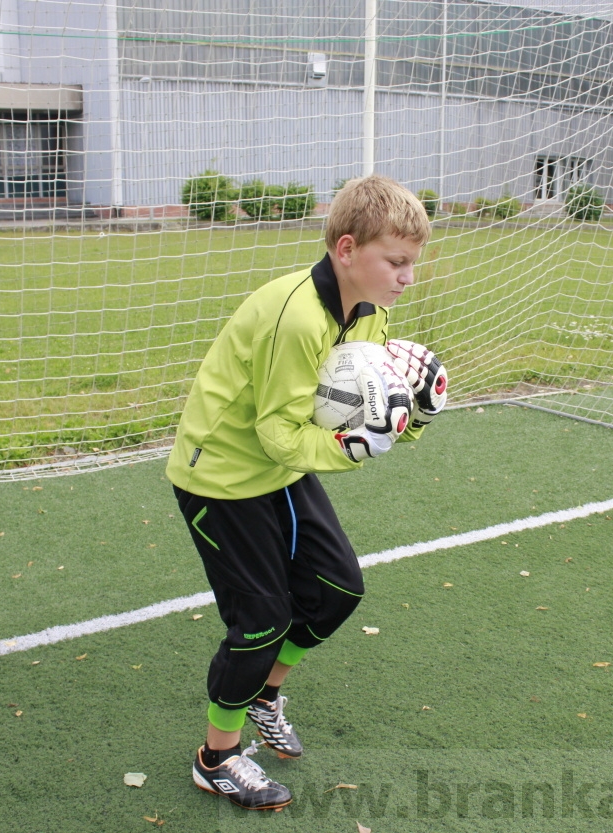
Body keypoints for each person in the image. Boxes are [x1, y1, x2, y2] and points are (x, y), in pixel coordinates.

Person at [166, 174, 449, 811]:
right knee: (261, 621)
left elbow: (359, 407)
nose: (408, 277)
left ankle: (263, 696)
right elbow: (278, 435)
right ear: (347, 250)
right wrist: (355, 448)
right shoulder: (296, 317)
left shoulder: (370, 312)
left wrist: (413, 415)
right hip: (222, 477)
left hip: (283, 466)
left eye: (413, 263)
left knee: (337, 590)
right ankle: (216, 757)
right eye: (396, 262)